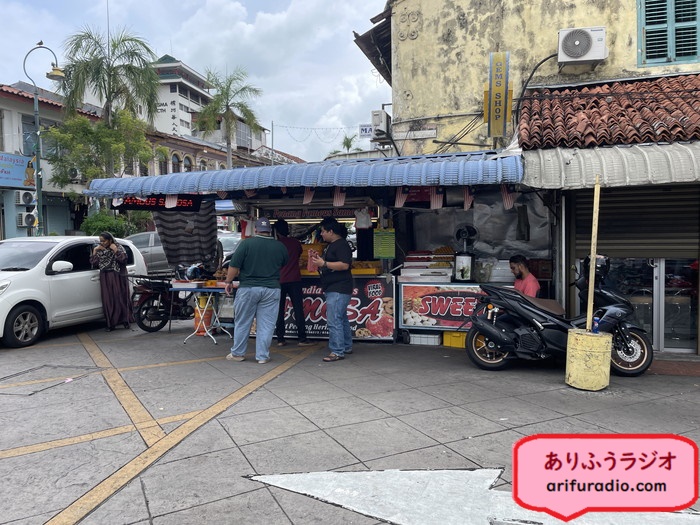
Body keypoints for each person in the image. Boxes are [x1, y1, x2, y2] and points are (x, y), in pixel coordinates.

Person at [223, 217, 288, 364]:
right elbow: (283, 263)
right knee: (267, 324)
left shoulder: (246, 244)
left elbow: (234, 266)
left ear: (256, 229)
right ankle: (262, 356)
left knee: (243, 322)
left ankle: (238, 354)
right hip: (271, 289)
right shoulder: (280, 246)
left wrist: (228, 281)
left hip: (248, 288)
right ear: (270, 230)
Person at [309, 217, 354, 362]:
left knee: (334, 319)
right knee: (341, 318)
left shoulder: (341, 245)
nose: (321, 234)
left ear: (331, 231)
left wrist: (324, 263)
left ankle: (337, 351)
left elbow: (344, 265)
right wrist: (319, 261)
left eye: (323, 231)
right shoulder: (333, 245)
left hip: (338, 288)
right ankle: (346, 346)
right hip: (334, 287)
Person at [274, 219, 312, 347]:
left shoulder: (276, 244)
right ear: (288, 230)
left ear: (277, 232)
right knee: (298, 309)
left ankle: (280, 339)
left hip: (279, 280)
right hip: (294, 279)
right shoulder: (295, 243)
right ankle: (302, 338)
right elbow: (298, 254)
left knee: (279, 310)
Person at [90, 231, 134, 332]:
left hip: (118, 275)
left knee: (120, 298)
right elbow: (94, 263)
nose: (102, 243)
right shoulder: (99, 249)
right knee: (108, 300)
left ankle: (125, 321)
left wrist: (115, 250)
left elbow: (123, 260)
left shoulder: (118, 247)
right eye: (100, 241)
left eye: (104, 241)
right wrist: (95, 251)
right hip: (105, 276)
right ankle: (111, 323)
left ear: (110, 240)